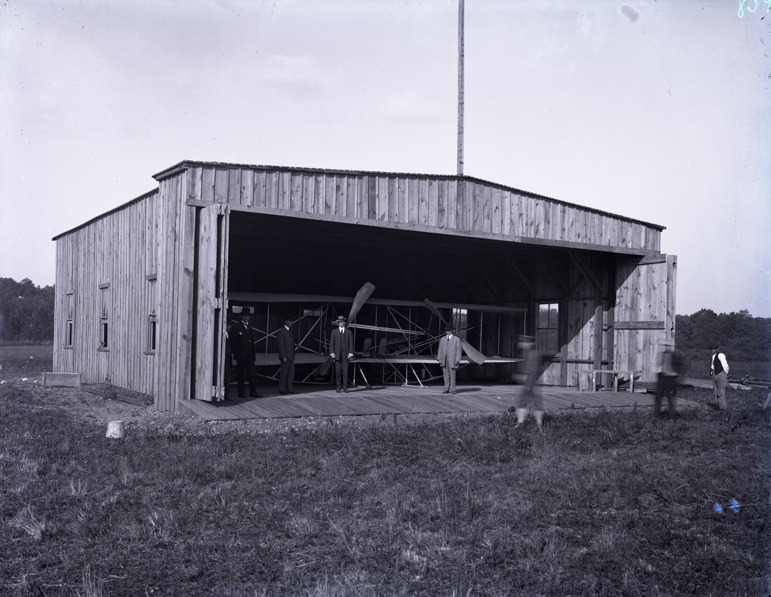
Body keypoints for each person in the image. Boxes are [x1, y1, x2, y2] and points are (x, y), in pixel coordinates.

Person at [513, 336, 544, 432]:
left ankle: (537, 425)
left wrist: (529, 385)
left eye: (524, 342)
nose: (521, 344)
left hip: (530, 383)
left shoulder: (533, 355)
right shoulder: (526, 354)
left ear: (530, 344)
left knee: (533, 403)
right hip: (528, 383)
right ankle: (523, 423)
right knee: (525, 402)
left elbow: (533, 371)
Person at [230, 306, 259, 398]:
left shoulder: (249, 327)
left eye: (248, 316)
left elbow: (252, 342)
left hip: (250, 355)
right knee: (241, 375)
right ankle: (241, 392)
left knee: (252, 374)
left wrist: (253, 355)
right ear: (241, 316)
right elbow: (233, 343)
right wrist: (237, 354)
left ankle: (253, 392)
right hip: (241, 356)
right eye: (245, 316)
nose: (246, 318)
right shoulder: (237, 327)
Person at [329, 315, 354, 393]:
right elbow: (331, 343)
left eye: (341, 322)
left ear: (344, 323)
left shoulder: (349, 332)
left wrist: (351, 352)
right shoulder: (334, 332)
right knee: (338, 372)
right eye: (339, 322)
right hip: (337, 355)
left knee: (345, 372)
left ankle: (345, 387)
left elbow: (351, 343)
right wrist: (332, 352)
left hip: (345, 355)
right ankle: (338, 386)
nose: (340, 323)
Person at [654, 342, 679, 418]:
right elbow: (657, 365)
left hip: (671, 378)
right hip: (662, 377)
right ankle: (657, 414)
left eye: (668, 346)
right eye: (665, 346)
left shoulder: (675, 356)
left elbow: (680, 367)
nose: (667, 347)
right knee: (658, 396)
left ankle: (672, 414)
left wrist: (675, 374)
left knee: (670, 397)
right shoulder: (661, 354)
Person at [437, 325, 462, 394]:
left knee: (452, 375)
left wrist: (457, 360)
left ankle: (453, 389)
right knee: (445, 375)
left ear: (452, 331)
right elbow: (440, 349)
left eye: (449, 330)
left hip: (453, 360)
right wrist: (439, 358)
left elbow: (459, 350)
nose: (448, 331)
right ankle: (446, 388)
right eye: (447, 330)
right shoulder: (442, 339)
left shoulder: (457, 339)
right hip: (444, 360)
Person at [276, 315, 296, 395]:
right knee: (284, 374)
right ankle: (282, 389)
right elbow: (281, 345)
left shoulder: (290, 331)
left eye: (292, 321)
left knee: (291, 373)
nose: (292, 323)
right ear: (286, 321)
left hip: (291, 356)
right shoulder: (281, 332)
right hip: (285, 356)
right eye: (290, 321)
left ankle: (290, 388)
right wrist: (283, 356)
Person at [710, 342, 729, 410]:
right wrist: (712, 372)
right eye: (711, 349)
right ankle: (717, 406)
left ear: (717, 349)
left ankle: (723, 408)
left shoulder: (720, 355)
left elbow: (725, 365)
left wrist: (725, 373)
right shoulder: (713, 356)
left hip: (721, 374)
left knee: (720, 392)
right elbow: (712, 366)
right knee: (715, 392)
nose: (712, 350)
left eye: (714, 349)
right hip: (714, 374)